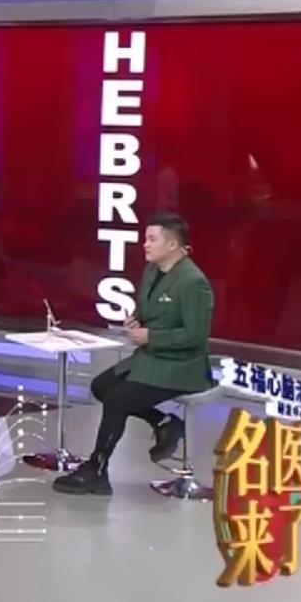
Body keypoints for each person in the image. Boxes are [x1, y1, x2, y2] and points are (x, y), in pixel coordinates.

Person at [54, 212, 215, 496]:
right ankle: (163, 422)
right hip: (151, 358)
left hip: (182, 366)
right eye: (145, 238)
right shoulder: (152, 271)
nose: (145, 244)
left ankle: (97, 469)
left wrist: (152, 337)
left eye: (152, 239)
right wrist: (136, 320)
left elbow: (196, 336)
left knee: (118, 400)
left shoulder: (193, 282)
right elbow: (149, 309)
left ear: (172, 245)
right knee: (101, 386)